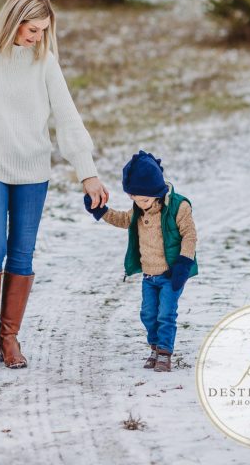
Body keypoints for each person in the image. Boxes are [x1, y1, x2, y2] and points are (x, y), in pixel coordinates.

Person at [0, 0, 109, 369]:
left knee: (22, 253)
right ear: (13, 21)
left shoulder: (44, 60)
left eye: (43, 31)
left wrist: (87, 173)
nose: (37, 37)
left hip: (33, 170)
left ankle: (9, 338)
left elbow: (67, 116)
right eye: (32, 29)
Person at [84, 150, 198, 372]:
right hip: (149, 276)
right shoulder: (139, 208)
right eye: (135, 199)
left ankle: (164, 353)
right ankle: (154, 347)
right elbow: (123, 219)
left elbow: (190, 235)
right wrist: (101, 211)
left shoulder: (179, 207)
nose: (141, 204)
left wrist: (184, 263)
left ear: (157, 192)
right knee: (148, 314)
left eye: (144, 200)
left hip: (171, 275)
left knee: (166, 314)